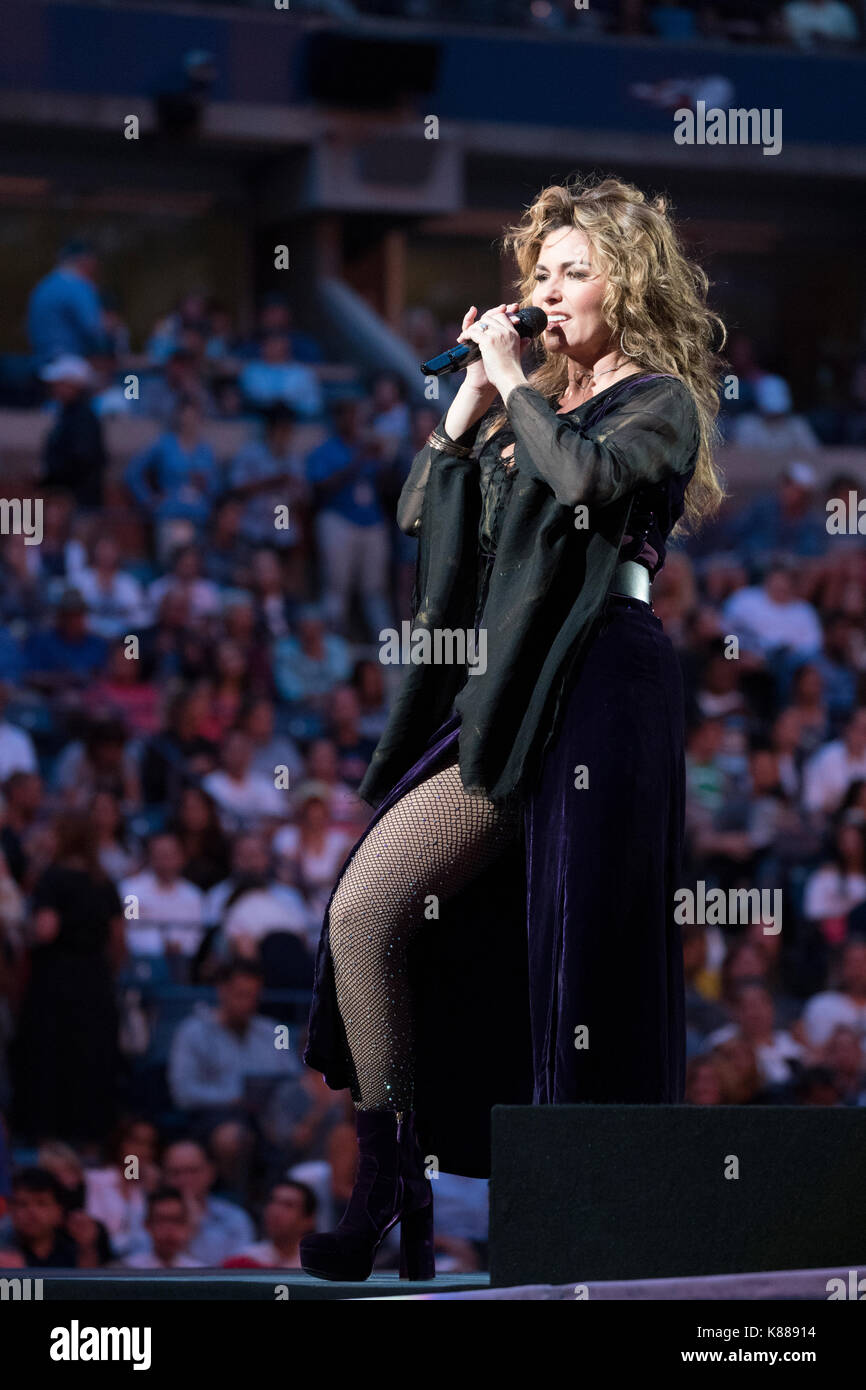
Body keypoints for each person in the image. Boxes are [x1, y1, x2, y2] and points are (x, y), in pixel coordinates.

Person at [300, 175, 725, 1280]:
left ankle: (579, 1212)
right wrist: (467, 407)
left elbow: (581, 485)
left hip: (601, 684)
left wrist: (509, 388)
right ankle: (391, 1175)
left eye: (572, 272)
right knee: (367, 907)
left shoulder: (657, 399)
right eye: (537, 272)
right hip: (506, 689)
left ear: (624, 287)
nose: (543, 292)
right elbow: (418, 515)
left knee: (576, 948)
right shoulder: (516, 399)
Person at [13, 815, 124, 1144]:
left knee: (50, 1056)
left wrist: (21, 932)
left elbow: (46, 930)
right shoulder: (105, 881)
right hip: (95, 982)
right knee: (91, 1059)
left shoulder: (52, 878)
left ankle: (46, 1137)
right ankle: (90, 1137)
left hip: (55, 982)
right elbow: (119, 941)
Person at [27, 240, 108, 366]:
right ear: (85, 261)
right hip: (70, 363)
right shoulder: (77, 285)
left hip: (41, 361)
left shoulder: (44, 285)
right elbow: (94, 329)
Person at [223, 1180, 317, 1269]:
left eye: (288, 1205)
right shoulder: (242, 1261)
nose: (275, 1211)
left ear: (308, 1220)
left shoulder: (317, 1265)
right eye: (273, 1201)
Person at [120, 1188, 204, 1269]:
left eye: (176, 1220)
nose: (169, 1229)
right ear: (147, 1225)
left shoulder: (199, 1272)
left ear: (186, 1225)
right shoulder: (128, 1270)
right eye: (161, 1220)